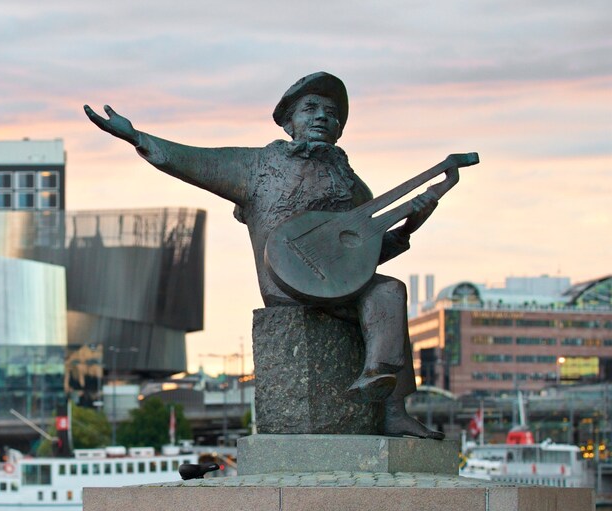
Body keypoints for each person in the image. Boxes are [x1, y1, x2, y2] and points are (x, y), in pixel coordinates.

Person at [85, 71, 442, 439]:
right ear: (289, 122)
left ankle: (386, 398)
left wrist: (410, 226)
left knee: (388, 293)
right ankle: (385, 395)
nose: (322, 116)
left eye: (332, 113)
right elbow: (187, 159)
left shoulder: (351, 184)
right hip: (285, 285)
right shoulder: (256, 166)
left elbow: (357, 258)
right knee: (386, 296)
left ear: (338, 128)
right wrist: (136, 137)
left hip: (337, 288)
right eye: (310, 108)